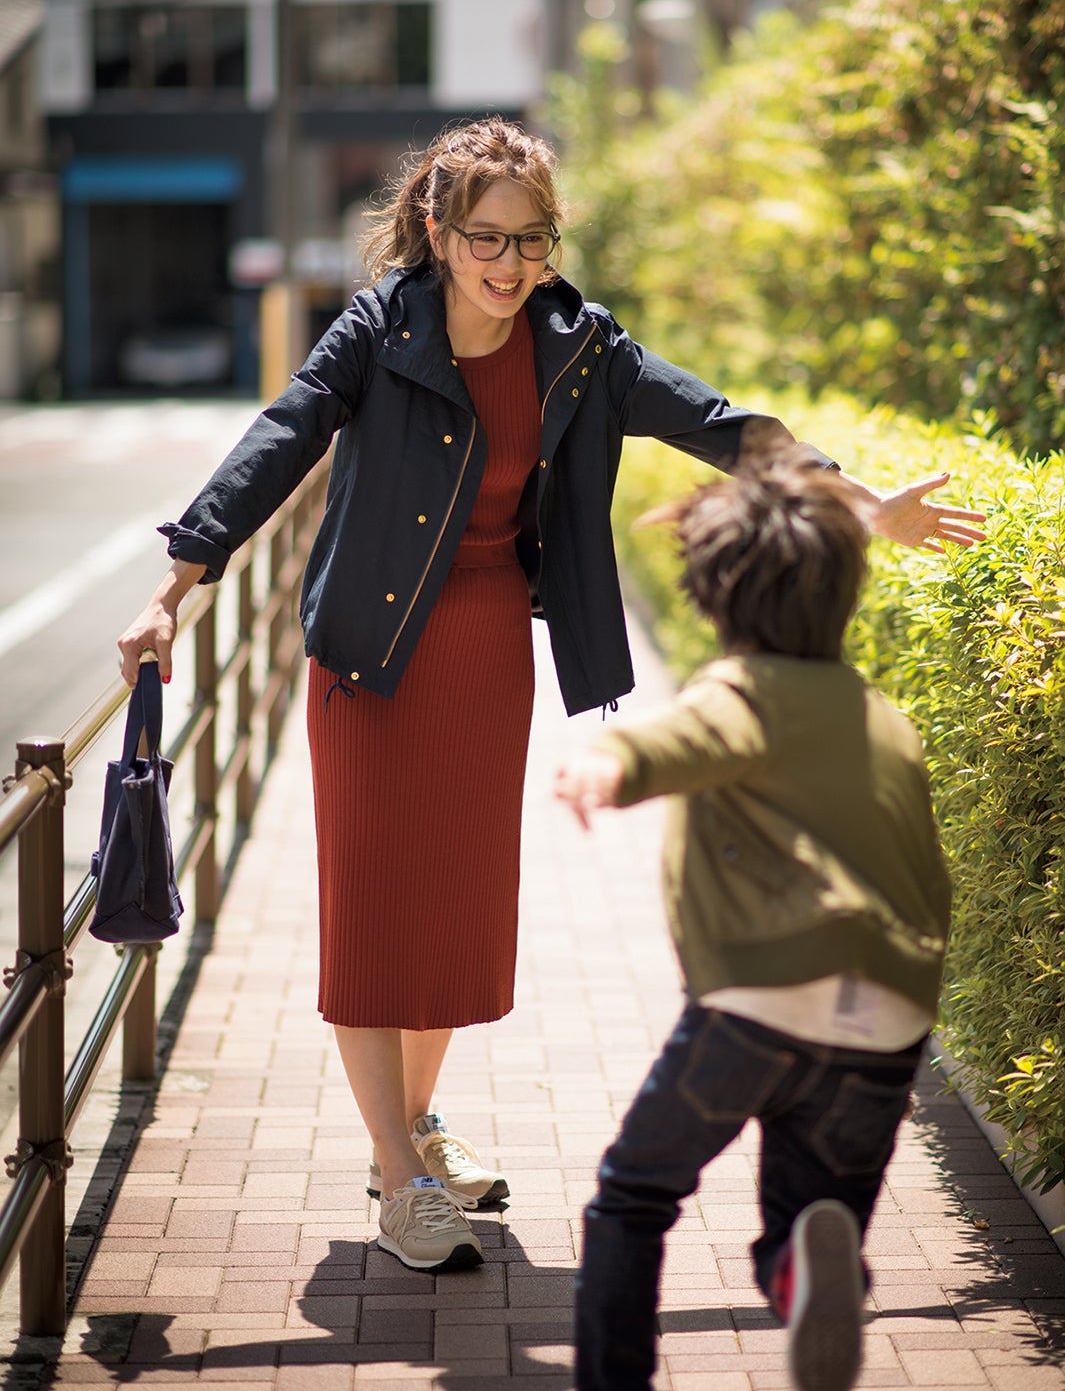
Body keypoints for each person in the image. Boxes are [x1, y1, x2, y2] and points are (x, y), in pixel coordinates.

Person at [118, 116, 982, 1276]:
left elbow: (717, 423)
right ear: (437, 227)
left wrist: (859, 497)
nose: (512, 263)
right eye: (487, 236)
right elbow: (277, 443)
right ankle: (398, 1175)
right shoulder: (378, 330)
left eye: (534, 238)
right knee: (377, 910)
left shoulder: (580, 343)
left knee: (455, 915)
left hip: (485, 658)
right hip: (371, 655)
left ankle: (413, 1130)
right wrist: (178, 584)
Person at [553, 447, 956, 1391]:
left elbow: (692, 737)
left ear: (715, 596)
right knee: (816, 1202)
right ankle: (801, 1263)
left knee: (632, 1199)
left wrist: (606, 766)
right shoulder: (882, 717)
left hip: (760, 999)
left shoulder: (741, 688)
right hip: (889, 1015)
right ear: (841, 596)